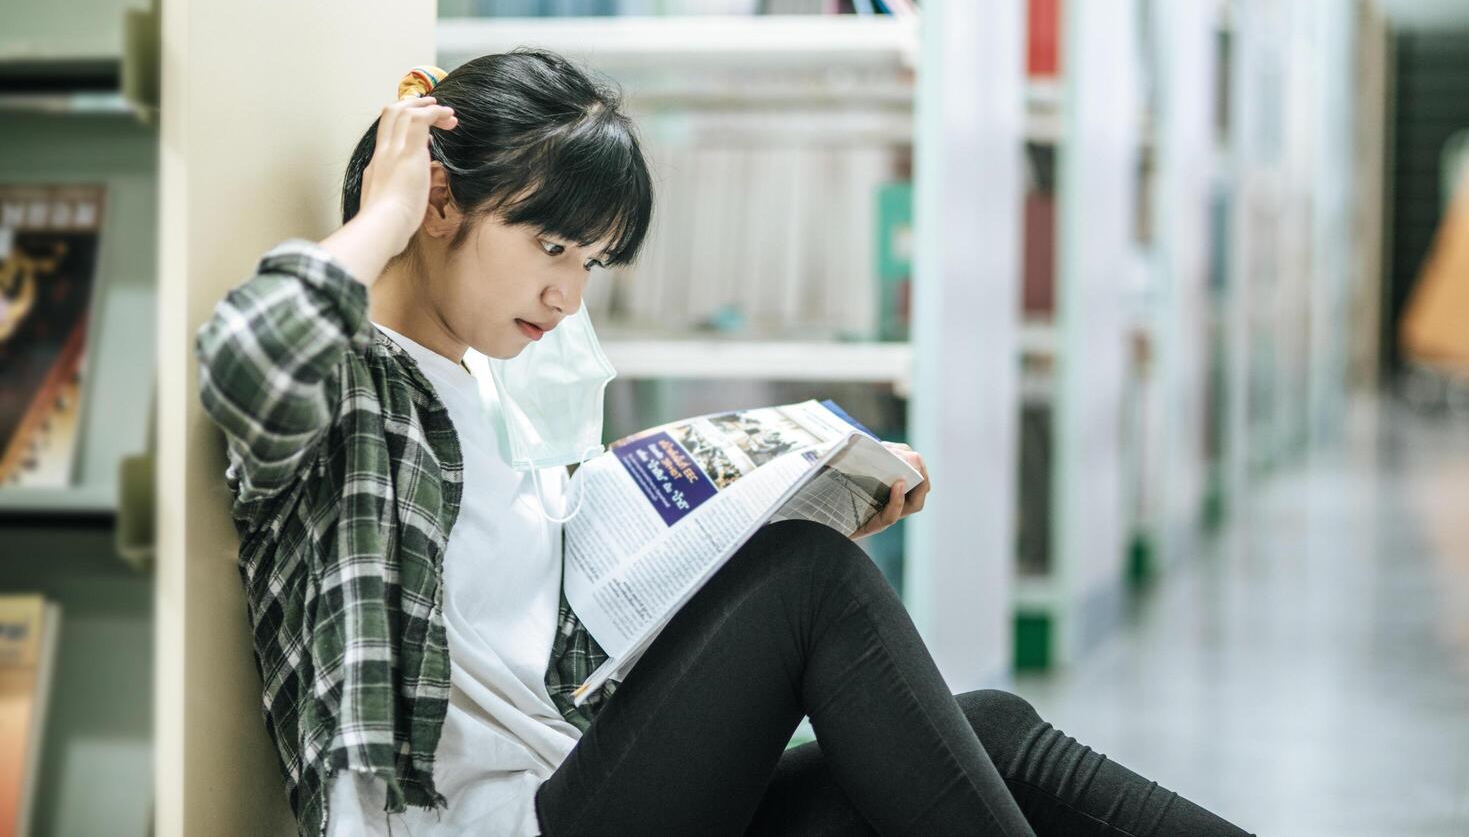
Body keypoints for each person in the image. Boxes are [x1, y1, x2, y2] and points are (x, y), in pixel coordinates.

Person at [195, 50, 1254, 836]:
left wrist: (790, 498)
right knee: (809, 583)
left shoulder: (483, 393)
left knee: (995, 726)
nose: (566, 293)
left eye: (592, 260)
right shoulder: (354, 389)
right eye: (549, 244)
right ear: (438, 204)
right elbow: (242, 359)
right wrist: (382, 212)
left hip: (580, 784)